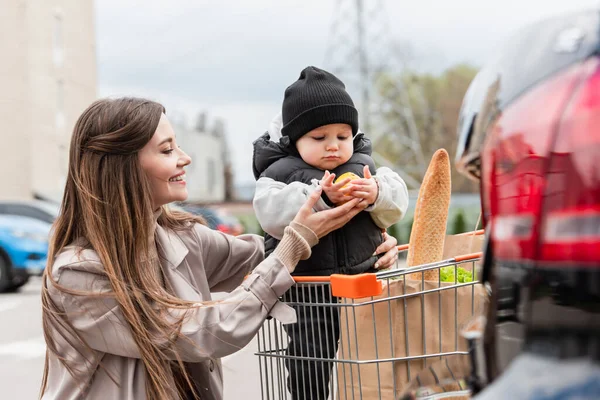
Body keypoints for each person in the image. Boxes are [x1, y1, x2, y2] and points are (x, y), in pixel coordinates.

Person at [39, 97, 400, 400]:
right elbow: (198, 332)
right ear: (121, 168)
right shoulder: (79, 272)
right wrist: (295, 243)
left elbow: (263, 254)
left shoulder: (178, 236)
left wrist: (359, 246)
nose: (185, 158)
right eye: (167, 150)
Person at [252, 66, 409, 399]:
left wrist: (376, 193)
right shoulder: (279, 174)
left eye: (342, 136)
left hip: (364, 287)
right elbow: (270, 212)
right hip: (310, 293)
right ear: (294, 140)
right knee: (309, 361)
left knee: (373, 362)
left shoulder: (364, 167)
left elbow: (397, 203)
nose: (334, 147)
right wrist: (319, 196)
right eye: (319, 138)